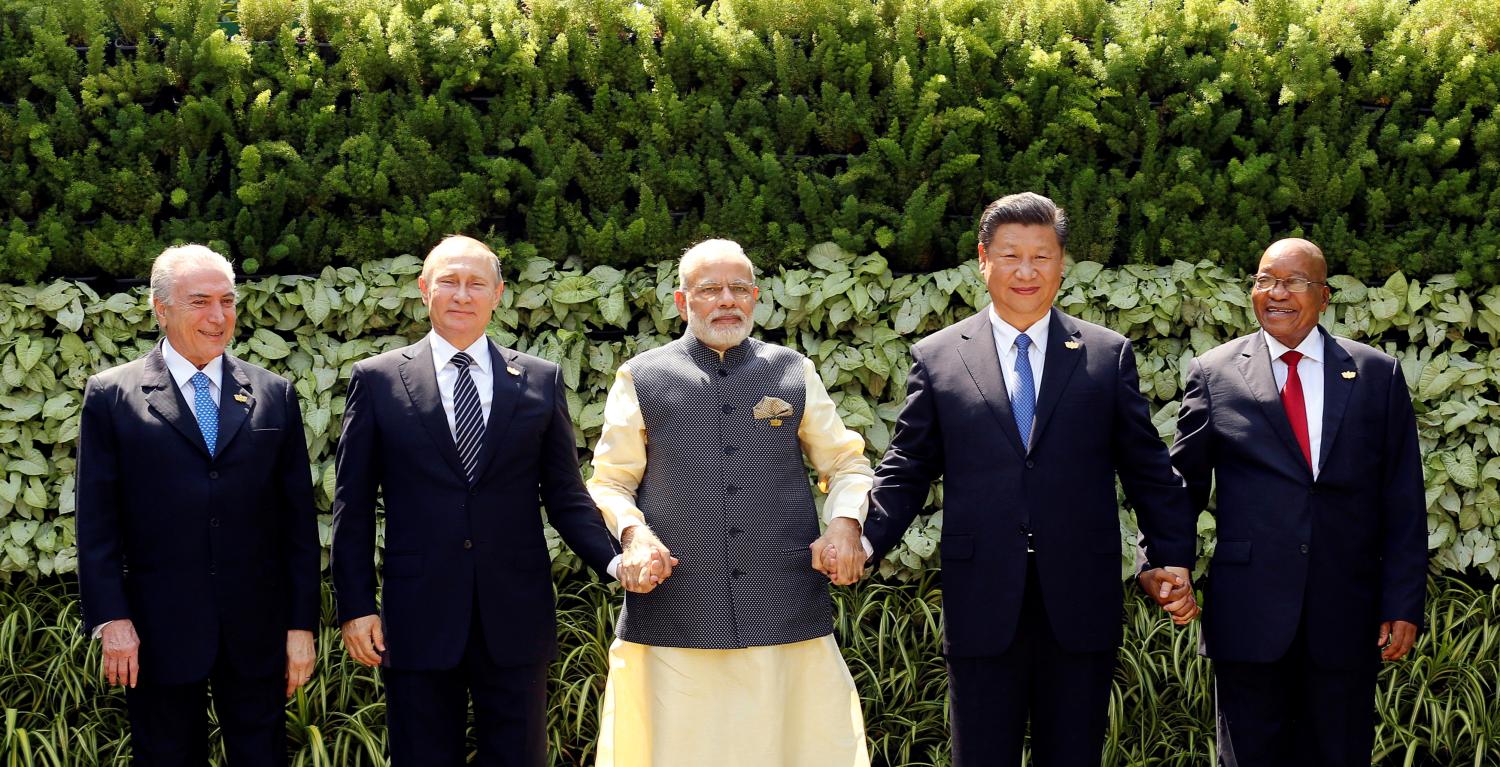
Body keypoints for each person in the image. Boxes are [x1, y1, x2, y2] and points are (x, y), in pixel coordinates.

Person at [863, 192, 1199, 766]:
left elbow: (1147, 467)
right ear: (983, 260)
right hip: (981, 599)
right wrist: (863, 540)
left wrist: (1168, 554)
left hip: (1080, 596)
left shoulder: (1105, 353)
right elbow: (908, 465)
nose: (1026, 271)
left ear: (1061, 264)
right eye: (1011, 255)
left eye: (1041, 257)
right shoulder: (939, 355)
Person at [330, 235, 617, 767]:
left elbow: (565, 496)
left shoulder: (539, 380)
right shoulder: (377, 380)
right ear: (424, 290)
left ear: (497, 294)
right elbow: (353, 505)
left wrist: (616, 562)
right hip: (416, 617)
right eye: (449, 282)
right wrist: (356, 606)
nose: (462, 295)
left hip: (514, 616)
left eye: (475, 284)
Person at [586, 238, 873, 767]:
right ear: (682, 301)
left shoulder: (792, 371)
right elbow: (609, 481)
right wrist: (634, 533)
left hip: (783, 608)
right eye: (710, 289)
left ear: (756, 297)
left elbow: (848, 465)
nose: (727, 300)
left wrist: (846, 525)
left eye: (739, 289)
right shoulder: (642, 376)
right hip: (676, 611)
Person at [1169, 237, 1426, 767]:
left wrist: (1401, 601)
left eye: (1293, 282)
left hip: (1346, 615)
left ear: (1324, 296)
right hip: (1248, 615)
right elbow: (1182, 486)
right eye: (1265, 280)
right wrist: (1169, 563)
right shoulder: (1214, 373)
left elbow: (1402, 496)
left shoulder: (1376, 375)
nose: (1276, 293)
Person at [76, 244, 320, 765]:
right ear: (160, 309)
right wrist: (112, 621)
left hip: (257, 634)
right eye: (200, 302)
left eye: (227, 302)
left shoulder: (273, 393)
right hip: (158, 632)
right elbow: (97, 523)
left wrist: (301, 626)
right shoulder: (112, 396)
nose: (218, 317)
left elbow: (297, 523)